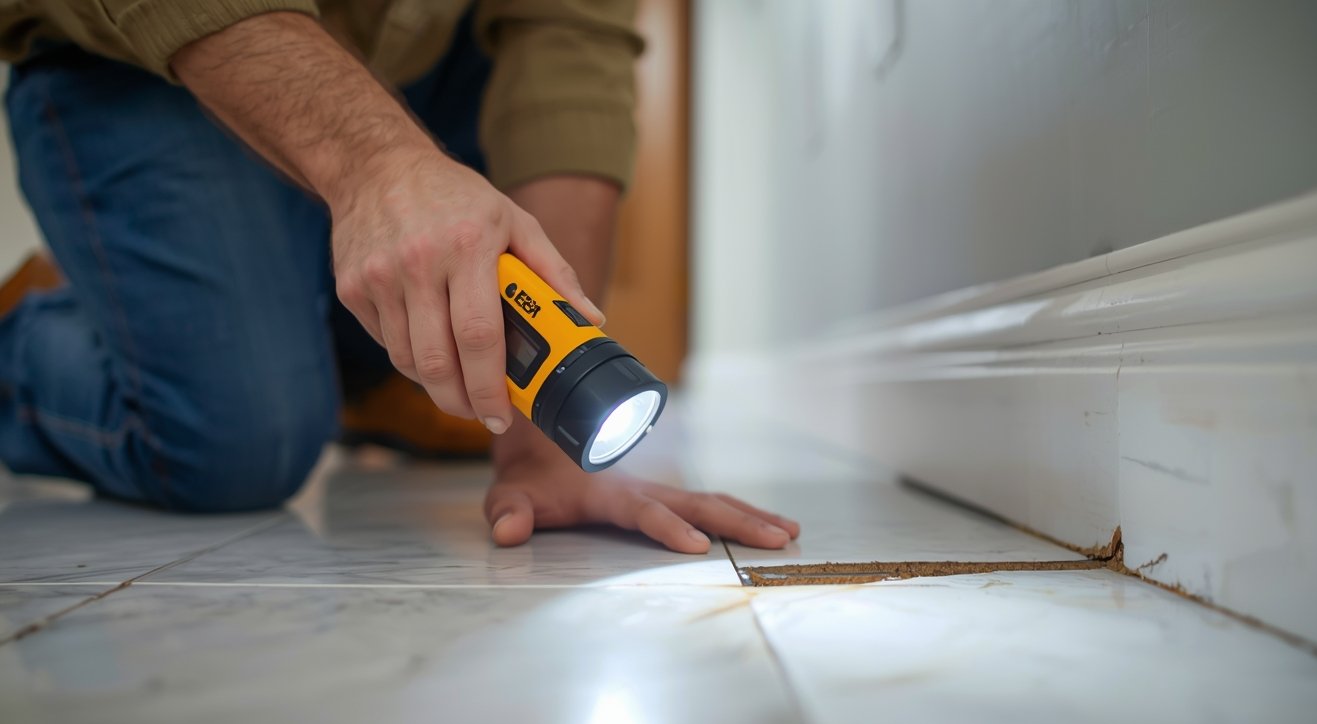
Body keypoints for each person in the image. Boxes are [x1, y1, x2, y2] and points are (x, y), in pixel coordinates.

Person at [0, 1, 799, 553]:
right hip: (148, 61)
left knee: (469, 383)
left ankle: (304, 335)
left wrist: (541, 441)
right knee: (239, 444)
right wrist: (377, 167)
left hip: (405, 77)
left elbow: (569, 45)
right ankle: (31, 341)